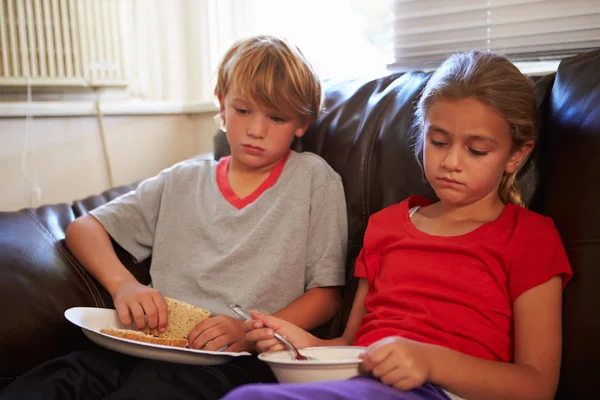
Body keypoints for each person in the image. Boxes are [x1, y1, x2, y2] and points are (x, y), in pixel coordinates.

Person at [0, 35, 347, 400]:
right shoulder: (182, 180)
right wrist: (124, 285)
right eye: (243, 110)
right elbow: (84, 228)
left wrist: (247, 331)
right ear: (222, 105)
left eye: (276, 118)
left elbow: (326, 295)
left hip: (232, 360)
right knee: (49, 382)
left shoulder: (314, 179)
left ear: (302, 124)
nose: (256, 130)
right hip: (146, 343)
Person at [223, 51, 573, 400]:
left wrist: (430, 362)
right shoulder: (386, 226)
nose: (451, 162)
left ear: (516, 155)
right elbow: (350, 345)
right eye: (438, 142)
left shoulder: (529, 237)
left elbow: (537, 385)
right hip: (359, 383)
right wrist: (301, 342)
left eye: (477, 150)